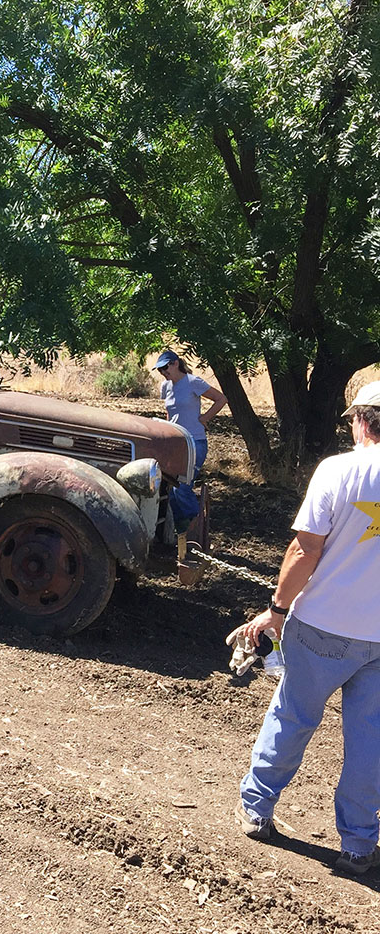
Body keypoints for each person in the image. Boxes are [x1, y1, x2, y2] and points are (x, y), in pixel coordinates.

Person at [235, 380, 380, 876]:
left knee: (294, 716)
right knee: (370, 741)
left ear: (360, 420)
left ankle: (257, 809)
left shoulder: (338, 471)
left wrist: (275, 609)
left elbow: (304, 550)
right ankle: (359, 844)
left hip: (322, 626)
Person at [153, 349, 227, 534]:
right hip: (176, 443)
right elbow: (170, 412)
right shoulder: (166, 386)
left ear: (176, 363)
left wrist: (205, 418)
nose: (163, 372)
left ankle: (196, 528)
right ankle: (181, 532)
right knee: (170, 489)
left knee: (183, 487)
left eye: (165, 367)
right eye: (160, 370)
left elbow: (221, 399)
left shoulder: (193, 382)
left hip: (195, 442)